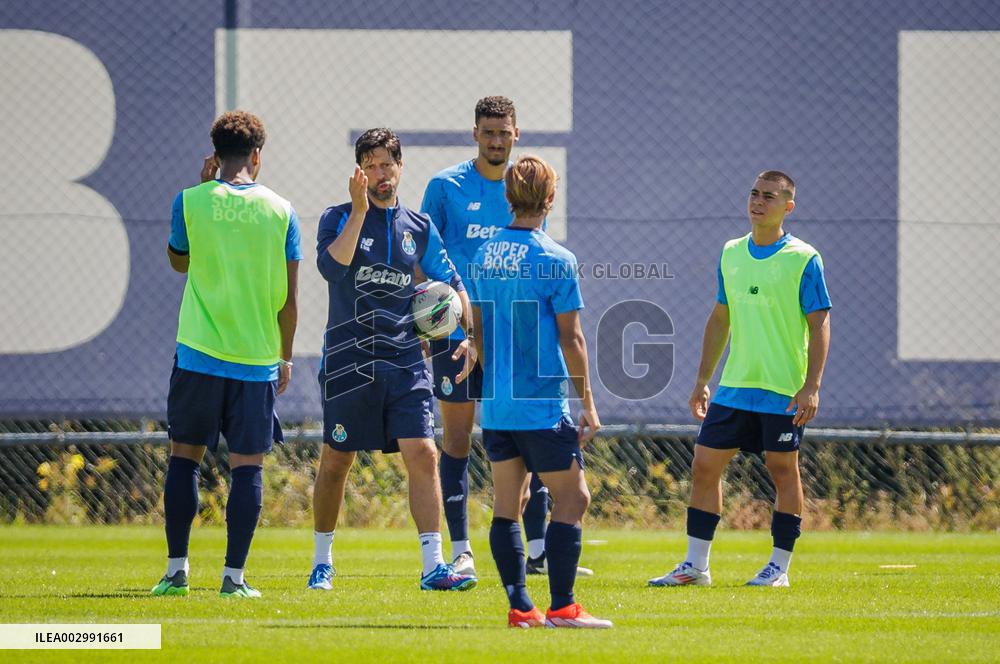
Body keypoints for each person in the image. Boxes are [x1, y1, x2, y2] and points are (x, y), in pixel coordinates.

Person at [420, 96, 588, 578]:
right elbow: (422, 255)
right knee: (455, 440)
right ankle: (461, 551)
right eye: (488, 132)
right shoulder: (445, 187)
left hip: (509, 339)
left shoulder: (523, 188)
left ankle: (536, 552)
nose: (496, 140)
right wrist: (435, 315)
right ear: (475, 133)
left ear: (517, 134)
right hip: (456, 334)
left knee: (528, 446)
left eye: (504, 132)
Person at [309, 128, 478, 592]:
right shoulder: (337, 217)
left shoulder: (419, 227)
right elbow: (331, 268)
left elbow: (453, 283)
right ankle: (322, 561)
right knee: (337, 460)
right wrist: (360, 212)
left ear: (401, 168)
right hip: (349, 362)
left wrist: (468, 330)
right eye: (373, 165)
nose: (382, 174)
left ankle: (432, 566)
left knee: (424, 453)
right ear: (360, 171)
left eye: (389, 164)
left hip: (404, 362)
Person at [648, 170, 831, 589]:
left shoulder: (804, 258)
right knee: (704, 465)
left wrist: (812, 385)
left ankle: (779, 567)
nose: (758, 202)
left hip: (783, 387)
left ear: (788, 207)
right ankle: (696, 566)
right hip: (735, 385)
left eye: (769, 196)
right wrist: (702, 379)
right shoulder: (731, 252)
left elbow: (820, 322)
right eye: (754, 193)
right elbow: (720, 317)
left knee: (783, 469)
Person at [153, 110, 301, 598]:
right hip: (255, 359)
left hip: (198, 352)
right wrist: (285, 357)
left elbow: (179, 261)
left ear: (214, 156)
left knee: (183, 460)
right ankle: (233, 579)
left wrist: (202, 191)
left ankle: (176, 572)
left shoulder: (190, 201)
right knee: (248, 469)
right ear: (257, 156)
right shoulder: (282, 211)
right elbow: (290, 300)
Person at [470, 155, 611, 628]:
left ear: (507, 198)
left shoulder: (483, 254)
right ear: (550, 199)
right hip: (541, 409)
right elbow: (571, 339)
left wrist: (497, 384)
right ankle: (564, 607)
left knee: (509, 507)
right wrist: (588, 403)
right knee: (575, 500)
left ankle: (521, 608)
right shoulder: (557, 259)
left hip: (497, 405)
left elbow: (480, 332)